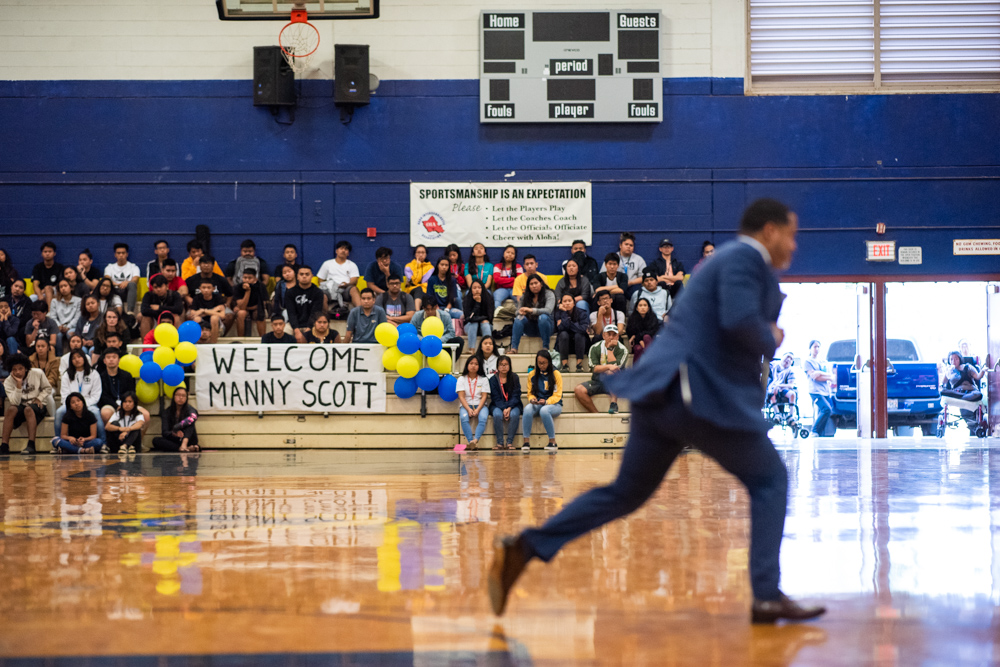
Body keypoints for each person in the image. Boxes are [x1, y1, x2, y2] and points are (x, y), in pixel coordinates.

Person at [489, 198, 826, 625]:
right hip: (692, 392)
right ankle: (765, 596)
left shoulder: (722, 261)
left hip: (660, 391)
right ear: (770, 231)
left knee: (626, 493)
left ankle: (525, 547)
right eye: (792, 235)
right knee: (770, 479)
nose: (794, 247)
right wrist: (771, 334)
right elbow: (741, 323)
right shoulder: (745, 257)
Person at [1, 352, 53, 455]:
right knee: (11, 409)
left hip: (37, 405)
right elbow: (15, 402)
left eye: (20, 368)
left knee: (28, 409)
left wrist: (39, 398)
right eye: (14, 369)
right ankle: (4, 445)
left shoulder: (37, 373)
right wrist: (18, 385)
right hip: (21, 405)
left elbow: (48, 388)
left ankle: (31, 445)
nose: (18, 372)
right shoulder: (8, 381)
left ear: (26, 368)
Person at [54, 349, 106, 446]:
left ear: (84, 358)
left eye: (79, 357)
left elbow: (96, 395)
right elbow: (65, 395)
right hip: (71, 404)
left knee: (95, 412)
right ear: (71, 361)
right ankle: (58, 442)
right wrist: (73, 404)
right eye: (73, 358)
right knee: (59, 412)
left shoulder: (93, 373)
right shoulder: (66, 375)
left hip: (89, 404)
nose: (77, 360)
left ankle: (103, 443)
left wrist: (83, 405)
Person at [575, 324, 628, 415]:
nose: (611, 337)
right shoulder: (595, 348)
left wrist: (610, 349)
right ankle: (596, 414)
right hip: (598, 380)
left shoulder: (623, 350)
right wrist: (607, 367)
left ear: (618, 336)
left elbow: (615, 368)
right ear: (603, 335)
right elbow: (594, 368)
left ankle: (614, 403)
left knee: (611, 373)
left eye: (614, 334)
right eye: (609, 334)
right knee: (579, 390)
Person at [521, 350, 562, 452]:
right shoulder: (532, 374)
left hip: (554, 404)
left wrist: (547, 401)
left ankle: (552, 442)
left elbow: (557, 395)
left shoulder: (556, 374)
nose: (542, 366)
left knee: (544, 410)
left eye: (544, 363)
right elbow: (530, 393)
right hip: (538, 402)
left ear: (549, 362)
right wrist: (532, 399)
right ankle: (526, 441)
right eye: (539, 363)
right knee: (527, 409)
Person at [98, 347, 144, 432]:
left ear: (119, 360)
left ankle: (136, 442)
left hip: (127, 403)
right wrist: (117, 406)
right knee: (106, 413)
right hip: (110, 405)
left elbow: (131, 392)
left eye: (114, 357)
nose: (111, 360)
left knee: (146, 415)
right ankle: (109, 441)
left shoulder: (127, 375)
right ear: (104, 361)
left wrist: (125, 404)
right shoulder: (100, 376)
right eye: (108, 357)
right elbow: (103, 396)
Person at [941, 350, 987, 432]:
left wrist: (983, 370)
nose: (953, 361)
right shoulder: (948, 370)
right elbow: (943, 383)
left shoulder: (968, 367)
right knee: (944, 393)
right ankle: (964, 398)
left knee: (976, 395)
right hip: (957, 392)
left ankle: (974, 426)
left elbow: (978, 377)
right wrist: (946, 371)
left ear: (960, 359)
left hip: (971, 391)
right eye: (951, 359)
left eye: (956, 359)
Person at [509, 275, 555, 354]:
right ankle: (514, 348)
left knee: (543, 317)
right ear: (528, 286)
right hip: (531, 328)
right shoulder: (525, 296)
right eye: (531, 284)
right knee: (519, 318)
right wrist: (520, 312)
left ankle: (545, 347)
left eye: (536, 283)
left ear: (541, 283)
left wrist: (531, 310)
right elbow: (517, 311)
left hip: (547, 327)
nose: (534, 286)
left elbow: (548, 310)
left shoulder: (549, 294)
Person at [489, 355, 522, 450]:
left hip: (513, 405)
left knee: (515, 414)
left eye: (506, 364)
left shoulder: (515, 377)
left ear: (510, 366)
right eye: (501, 365)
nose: (503, 367)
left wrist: (509, 407)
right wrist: (504, 408)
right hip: (497, 405)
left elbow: (516, 395)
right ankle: (500, 443)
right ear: (497, 366)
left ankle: (509, 442)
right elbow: (495, 397)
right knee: (497, 415)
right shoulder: (493, 380)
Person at [152, 386, 200, 452]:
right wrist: (174, 433)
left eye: (183, 396)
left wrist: (177, 427)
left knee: (190, 421)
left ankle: (184, 444)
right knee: (156, 440)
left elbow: (193, 417)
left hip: (188, 439)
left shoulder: (190, 409)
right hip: (175, 440)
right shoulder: (167, 412)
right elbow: (165, 432)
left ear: (186, 398)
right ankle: (183, 448)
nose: (180, 397)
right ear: (173, 396)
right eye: (178, 395)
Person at [802, 340, 835, 437]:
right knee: (826, 409)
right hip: (815, 391)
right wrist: (826, 376)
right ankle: (814, 430)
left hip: (825, 391)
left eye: (818, 347)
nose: (817, 349)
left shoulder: (823, 362)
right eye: (814, 347)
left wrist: (820, 372)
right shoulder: (807, 361)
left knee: (824, 412)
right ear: (810, 348)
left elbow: (830, 376)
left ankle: (821, 434)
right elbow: (815, 377)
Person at [457, 355, 490, 450]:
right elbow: (461, 396)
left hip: (481, 405)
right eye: (471, 363)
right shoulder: (461, 379)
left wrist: (478, 409)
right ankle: (470, 441)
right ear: (467, 365)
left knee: (483, 418)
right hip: (465, 405)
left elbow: (484, 396)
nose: (473, 366)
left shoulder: (483, 379)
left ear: (479, 366)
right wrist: (468, 409)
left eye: (476, 364)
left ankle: (475, 441)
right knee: (464, 418)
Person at [317, 240, 361, 310]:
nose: (343, 251)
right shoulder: (327, 264)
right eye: (341, 248)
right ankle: (324, 317)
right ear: (336, 251)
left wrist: (346, 284)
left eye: (346, 249)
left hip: (345, 289)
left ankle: (360, 314)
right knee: (321, 293)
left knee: (354, 289)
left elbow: (354, 281)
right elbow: (320, 279)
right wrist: (327, 287)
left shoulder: (352, 265)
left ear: (348, 253)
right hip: (329, 290)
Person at [286, 266, 325, 343]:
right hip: (294, 324)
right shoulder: (290, 292)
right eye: (301, 274)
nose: (304, 276)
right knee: (284, 333)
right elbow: (291, 313)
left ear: (312, 276)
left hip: (313, 324)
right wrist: (296, 330)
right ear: (297, 276)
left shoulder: (318, 292)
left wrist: (308, 330)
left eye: (307, 274)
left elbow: (315, 313)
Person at [603, 232, 646, 300]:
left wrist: (630, 282)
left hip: (632, 286)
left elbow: (644, 277)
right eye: (626, 244)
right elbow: (603, 275)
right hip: (615, 287)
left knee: (638, 292)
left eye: (631, 245)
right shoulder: (612, 258)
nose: (628, 247)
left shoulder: (638, 259)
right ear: (620, 245)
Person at [554, 293, 589, 373]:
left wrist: (566, 323)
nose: (567, 303)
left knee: (579, 335)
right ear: (561, 303)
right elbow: (560, 328)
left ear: (574, 303)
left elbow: (583, 329)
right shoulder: (559, 313)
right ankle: (565, 365)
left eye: (569, 301)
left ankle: (579, 365)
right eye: (565, 301)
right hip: (564, 344)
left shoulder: (582, 313)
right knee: (563, 334)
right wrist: (566, 314)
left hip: (580, 344)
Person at [104, 243, 141, 314]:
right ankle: (108, 311)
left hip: (127, 292)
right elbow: (107, 279)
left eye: (123, 253)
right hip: (114, 291)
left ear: (127, 254)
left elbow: (135, 280)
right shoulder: (109, 267)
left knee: (132, 284)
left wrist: (126, 283)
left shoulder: (133, 267)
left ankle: (130, 312)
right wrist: (118, 284)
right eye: (118, 253)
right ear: (115, 255)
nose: (121, 255)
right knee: (106, 284)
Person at [232, 268, 269, 337]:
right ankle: (241, 338)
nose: (247, 280)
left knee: (260, 313)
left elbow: (263, 304)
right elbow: (242, 307)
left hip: (257, 308)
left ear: (255, 278)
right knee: (241, 313)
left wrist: (248, 308)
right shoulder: (238, 287)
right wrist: (248, 291)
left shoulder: (261, 286)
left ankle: (263, 338)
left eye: (250, 278)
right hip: (244, 309)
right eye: (245, 278)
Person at [188, 279, 226, 343]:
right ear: (200, 288)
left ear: (213, 289)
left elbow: (222, 316)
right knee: (196, 319)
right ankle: (198, 342)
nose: (206, 290)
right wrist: (214, 311)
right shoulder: (196, 298)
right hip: (202, 325)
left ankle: (213, 343)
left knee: (214, 318)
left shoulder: (218, 297)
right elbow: (192, 315)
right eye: (204, 287)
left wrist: (204, 311)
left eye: (208, 288)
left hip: (217, 327)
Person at [425, 256, 463, 321]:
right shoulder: (432, 279)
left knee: (462, 315)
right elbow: (430, 297)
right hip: (435, 309)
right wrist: (436, 308)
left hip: (449, 308)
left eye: (446, 265)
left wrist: (447, 309)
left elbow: (452, 298)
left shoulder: (452, 280)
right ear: (438, 266)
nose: (444, 267)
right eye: (442, 265)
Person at [50, 278, 81, 354]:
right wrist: (59, 326)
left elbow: (77, 317)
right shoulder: (54, 301)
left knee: (70, 333)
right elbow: (53, 316)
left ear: (71, 287)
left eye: (65, 286)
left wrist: (69, 326)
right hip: (59, 327)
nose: (63, 288)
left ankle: (74, 354)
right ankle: (59, 356)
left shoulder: (79, 300)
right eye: (61, 287)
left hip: (72, 327)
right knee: (57, 335)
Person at [463, 278, 494, 351]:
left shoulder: (488, 298)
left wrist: (479, 319)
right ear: (471, 289)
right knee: (474, 323)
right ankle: (471, 349)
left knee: (485, 323)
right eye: (474, 288)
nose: (477, 290)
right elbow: (468, 318)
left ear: (482, 288)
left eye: (479, 288)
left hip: (486, 326)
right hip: (470, 327)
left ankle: (488, 349)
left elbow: (489, 317)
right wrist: (477, 303)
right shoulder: (467, 299)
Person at [626, 298, 660, 364]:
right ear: (636, 308)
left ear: (648, 308)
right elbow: (630, 333)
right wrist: (640, 340)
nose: (643, 307)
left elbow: (653, 332)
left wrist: (638, 337)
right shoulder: (632, 318)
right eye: (640, 305)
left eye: (645, 305)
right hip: (637, 343)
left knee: (646, 337)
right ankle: (636, 370)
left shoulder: (653, 317)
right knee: (638, 348)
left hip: (650, 342)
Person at [31, 241, 64, 306]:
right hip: (41, 294)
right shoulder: (37, 267)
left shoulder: (60, 267)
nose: (47, 254)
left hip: (56, 293)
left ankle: (49, 313)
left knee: (48, 288)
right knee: (31, 298)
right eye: (45, 252)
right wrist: (40, 295)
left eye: (50, 251)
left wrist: (47, 290)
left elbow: (61, 284)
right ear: (42, 254)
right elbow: (35, 285)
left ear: (54, 253)